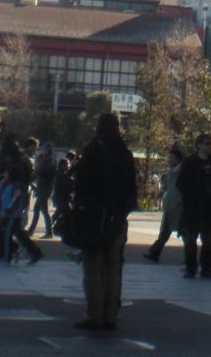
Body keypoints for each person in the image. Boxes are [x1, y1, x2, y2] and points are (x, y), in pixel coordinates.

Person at [73, 112, 137, 332]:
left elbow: (81, 183)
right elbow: (131, 188)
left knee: (93, 267)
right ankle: (111, 315)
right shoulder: (125, 152)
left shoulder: (93, 149)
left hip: (94, 215)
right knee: (113, 267)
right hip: (117, 217)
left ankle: (95, 315)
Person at [177, 133, 211, 279]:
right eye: (207, 143)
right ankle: (191, 268)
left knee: (208, 240)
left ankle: (206, 269)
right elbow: (180, 182)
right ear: (199, 145)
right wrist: (191, 194)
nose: (210, 146)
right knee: (190, 239)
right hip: (193, 208)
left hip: (210, 208)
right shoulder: (190, 162)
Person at [143, 147, 183, 263]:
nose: (168, 160)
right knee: (165, 232)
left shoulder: (182, 172)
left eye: (171, 157)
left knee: (188, 235)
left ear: (178, 159)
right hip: (170, 207)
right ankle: (154, 253)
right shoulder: (171, 171)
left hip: (179, 207)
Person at [27, 142, 56, 239]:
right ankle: (32, 230)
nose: (41, 150)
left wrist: (33, 177)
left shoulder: (48, 159)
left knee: (43, 209)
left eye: (43, 148)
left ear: (46, 150)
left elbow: (40, 171)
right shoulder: (45, 158)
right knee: (37, 209)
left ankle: (48, 232)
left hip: (45, 187)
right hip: (43, 186)